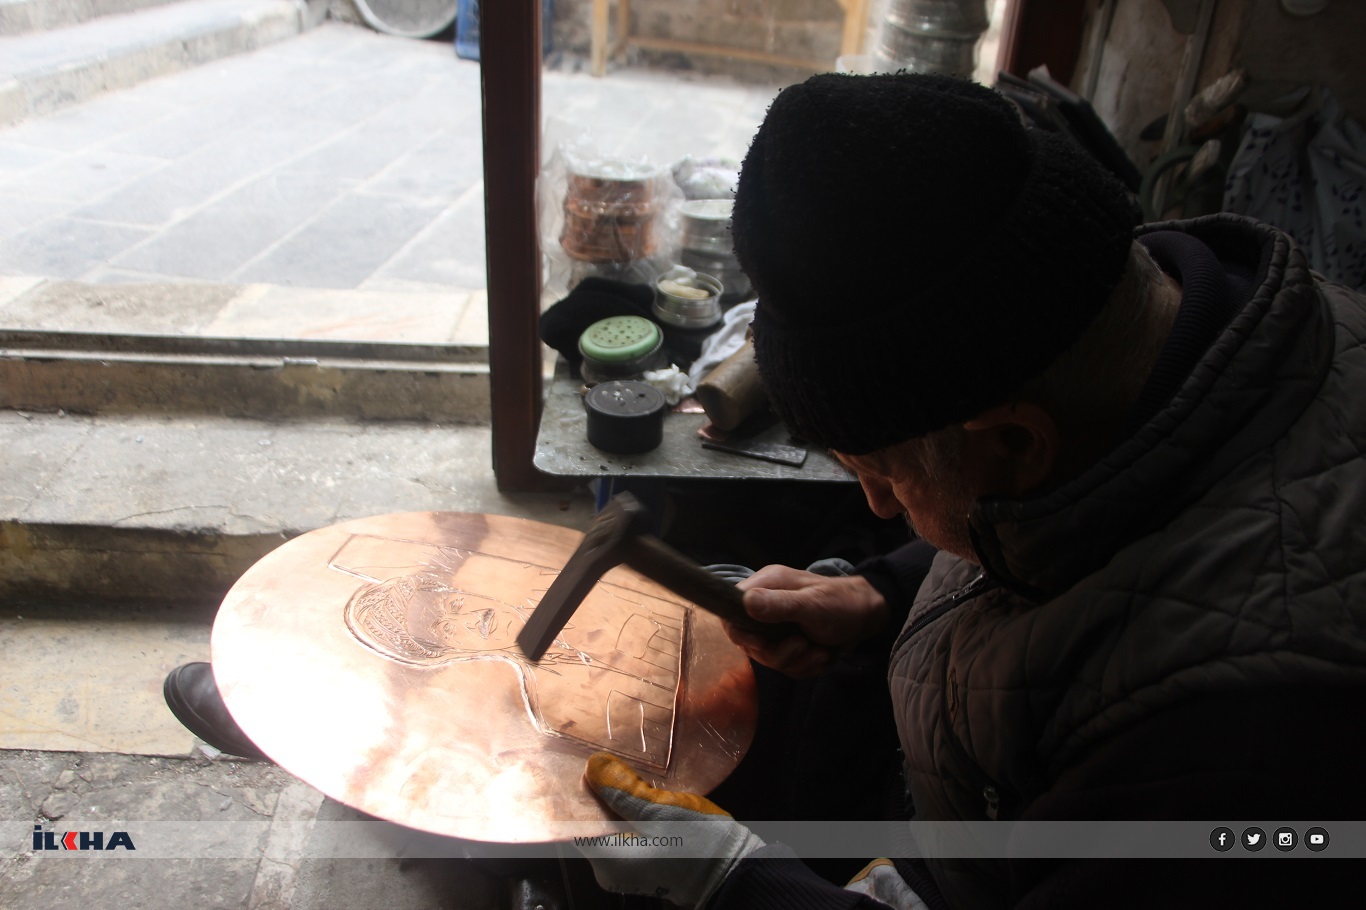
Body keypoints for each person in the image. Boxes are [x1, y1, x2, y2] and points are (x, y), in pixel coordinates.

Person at [579, 72, 1366, 908]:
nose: (879, 507)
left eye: (883, 475)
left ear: (1017, 443)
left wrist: (737, 881)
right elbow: (1064, 519)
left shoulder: (1230, 744)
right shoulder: (1145, 334)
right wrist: (883, 593)